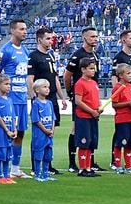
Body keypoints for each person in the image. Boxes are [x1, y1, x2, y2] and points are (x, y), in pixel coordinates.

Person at [0, 19, 33, 178]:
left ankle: (15, 168)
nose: (25, 31)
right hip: (10, 100)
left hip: (22, 99)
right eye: (21, 29)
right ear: (12, 31)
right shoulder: (6, 51)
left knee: (20, 133)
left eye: (26, 29)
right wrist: (2, 97)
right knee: (4, 135)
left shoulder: (26, 51)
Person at [28, 27, 68, 174]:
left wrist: (62, 97)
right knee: (39, 133)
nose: (51, 41)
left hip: (51, 99)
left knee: (50, 131)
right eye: (48, 38)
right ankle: (35, 166)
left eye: (51, 38)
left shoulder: (51, 56)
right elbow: (30, 79)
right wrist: (34, 97)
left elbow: (55, 78)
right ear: (39, 40)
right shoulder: (34, 56)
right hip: (41, 98)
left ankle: (47, 165)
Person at [64, 27, 100, 173]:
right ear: (85, 38)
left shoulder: (95, 55)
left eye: (96, 36)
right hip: (81, 97)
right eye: (92, 36)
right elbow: (67, 75)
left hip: (92, 96)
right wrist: (70, 93)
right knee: (76, 129)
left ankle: (90, 162)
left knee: (91, 131)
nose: (95, 39)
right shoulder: (78, 55)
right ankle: (73, 163)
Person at [73, 57, 102, 176]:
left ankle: (89, 167)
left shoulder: (94, 83)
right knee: (84, 143)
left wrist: (99, 108)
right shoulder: (80, 83)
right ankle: (82, 168)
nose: (93, 71)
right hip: (84, 117)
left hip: (93, 117)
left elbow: (96, 99)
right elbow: (78, 101)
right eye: (90, 69)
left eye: (93, 68)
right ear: (83, 69)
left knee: (91, 142)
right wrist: (91, 111)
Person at [0, 73, 18, 183]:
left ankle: (7, 175)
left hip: (10, 132)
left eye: (9, 84)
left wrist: (14, 129)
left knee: (7, 155)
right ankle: (0, 176)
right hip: (0, 133)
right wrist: (6, 130)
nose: (9, 86)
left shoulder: (9, 100)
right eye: (6, 84)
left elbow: (13, 116)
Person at [110, 62, 131, 174]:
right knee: (120, 143)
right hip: (122, 119)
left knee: (130, 143)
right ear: (121, 75)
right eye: (128, 73)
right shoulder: (117, 88)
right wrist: (128, 104)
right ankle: (118, 166)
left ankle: (129, 166)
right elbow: (114, 104)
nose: (130, 75)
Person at [29, 79, 57, 181]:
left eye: (48, 87)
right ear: (37, 90)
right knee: (38, 154)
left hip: (49, 134)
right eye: (44, 87)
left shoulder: (49, 103)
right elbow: (36, 120)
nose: (47, 89)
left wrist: (52, 130)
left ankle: (46, 173)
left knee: (48, 155)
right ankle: (38, 173)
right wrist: (45, 130)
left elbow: (53, 118)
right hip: (40, 135)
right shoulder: (36, 104)